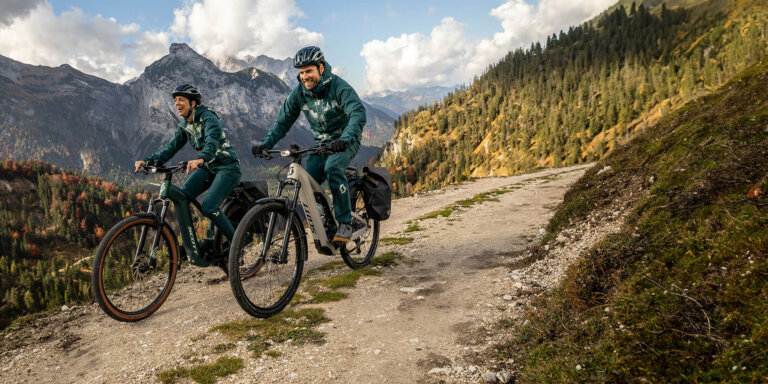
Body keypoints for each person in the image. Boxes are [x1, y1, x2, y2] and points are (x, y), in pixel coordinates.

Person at [251, 46, 366, 243]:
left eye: (308, 71)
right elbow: (282, 122)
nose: (304, 77)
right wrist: (265, 143)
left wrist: (345, 139)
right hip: (321, 145)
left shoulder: (339, 87)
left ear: (321, 68)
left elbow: (358, 113)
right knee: (307, 181)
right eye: (301, 72)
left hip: (345, 141)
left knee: (332, 167)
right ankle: (328, 222)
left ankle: (345, 222)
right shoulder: (300, 93)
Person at [135, 84, 241, 260]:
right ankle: (191, 245)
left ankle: (236, 245)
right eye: (175, 100)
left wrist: (201, 158)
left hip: (227, 167)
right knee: (182, 196)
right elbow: (171, 148)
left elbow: (212, 140)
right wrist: (149, 160)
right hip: (208, 167)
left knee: (209, 206)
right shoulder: (185, 124)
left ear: (193, 103)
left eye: (181, 100)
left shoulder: (208, 117)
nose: (177, 103)